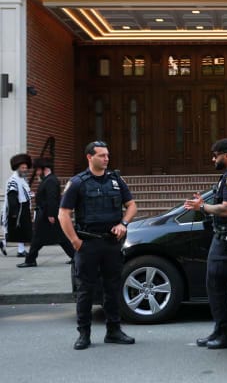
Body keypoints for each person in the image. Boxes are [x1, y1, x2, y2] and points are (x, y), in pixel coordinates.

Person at [59, 140, 138, 350]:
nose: (106, 159)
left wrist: (124, 223)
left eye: (107, 155)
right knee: (86, 290)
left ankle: (114, 331)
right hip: (88, 244)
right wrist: (75, 242)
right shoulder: (78, 183)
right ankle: (83, 334)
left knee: (112, 288)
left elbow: (131, 205)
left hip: (111, 243)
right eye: (102, 155)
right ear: (89, 157)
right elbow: (63, 214)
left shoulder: (115, 180)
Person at [184, 138, 227, 349]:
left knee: (217, 285)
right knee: (216, 286)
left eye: (215, 155)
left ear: (226, 155)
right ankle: (220, 330)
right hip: (226, 236)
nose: (213, 159)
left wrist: (203, 207)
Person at [17, 157, 75, 268]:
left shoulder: (51, 180)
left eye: (38, 170)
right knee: (61, 238)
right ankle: (75, 257)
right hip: (46, 214)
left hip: (46, 215)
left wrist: (51, 214)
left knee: (38, 239)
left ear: (45, 169)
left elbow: (52, 199)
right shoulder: (48, 180)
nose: (37, 173)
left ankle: (30, 260)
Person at [2, 154, 33, 257]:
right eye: (22, 168)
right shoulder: (13, 180)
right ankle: (19, 250)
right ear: (17, 168)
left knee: (21, 231)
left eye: (25, 167)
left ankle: (20, 250)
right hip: (17, 210)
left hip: (24, 208)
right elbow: (11, 196)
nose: (25, 169)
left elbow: (25, 193)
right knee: (16, 231)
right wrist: (14, 212)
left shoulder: (23, 180)